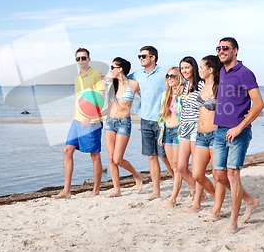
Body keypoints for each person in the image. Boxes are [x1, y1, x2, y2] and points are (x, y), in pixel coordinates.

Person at [212, 37, 264, 233]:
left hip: (238, 132)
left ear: (235, 51)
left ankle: (233, 223)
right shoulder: (221, 72)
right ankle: (250, 200)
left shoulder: (245, 73)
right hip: (220, 131)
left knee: (233, 175)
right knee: (219, 175)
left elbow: (258, 104)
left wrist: (240, 127)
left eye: (225, 48)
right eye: (219, 48)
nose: (221, 51)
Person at [54, 48, 105, 199]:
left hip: (92, 121)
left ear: (89, 59)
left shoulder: (96, 75)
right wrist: (74, 115)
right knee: (67, 150)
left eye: (83, 58)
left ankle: (96, 190)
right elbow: (79, 99)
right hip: (76, 121)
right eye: (78, 59)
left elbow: (100, 99)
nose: (81, 61)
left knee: (94, 155)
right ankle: (67, 190)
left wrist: (90, 116)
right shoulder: (77, 77)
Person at [129, 46, 174, 200]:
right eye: (139, 56)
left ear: (152, 57)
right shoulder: (136, 74)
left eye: (143, 56)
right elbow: (121, 78)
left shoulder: (164, 73)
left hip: (161, 121)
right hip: (145, 120)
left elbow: (182, 82)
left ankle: (179, 182)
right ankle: (156, 191)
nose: (140, 59)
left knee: (165, 157)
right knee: (152, 156)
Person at [191, 55, 226, 221]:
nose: (199, 70)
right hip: (200, 136)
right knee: (197, 174)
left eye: (201, 67)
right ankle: (217, 199)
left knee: (217, 174)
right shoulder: (200, 85)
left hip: (215, 135)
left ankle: (216, 211)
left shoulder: (220, 88)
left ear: (210, 69)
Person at [103, 57, 144, 197]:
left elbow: (147, 98)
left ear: (120, 69)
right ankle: (117, 189)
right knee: (110, 157)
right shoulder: (111, 85)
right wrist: (93, 115)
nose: (110, 70)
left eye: (113, 67)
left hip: (124, 123)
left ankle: (137, 175)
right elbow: (109, 108)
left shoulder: (133, 84)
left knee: (118, 158)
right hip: (110, 122)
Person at [176, 56, 206, 212]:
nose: (184, 71)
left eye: (187, 67)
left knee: (196, 168)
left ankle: (197, 203)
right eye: (182, 68)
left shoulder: (201, 85)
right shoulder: (184, 85)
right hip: (184, 128)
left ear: (194, 68)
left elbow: (205, 105)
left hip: (196, 127)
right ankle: (199, 192)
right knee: (181, 167)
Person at [157, 67, 188, 208]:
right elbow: (163, 117)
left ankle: (173, 198)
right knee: (173, 166)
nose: (169, 78)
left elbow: (195, 85)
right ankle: (195, 189)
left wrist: (184, 84)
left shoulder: (184, 92)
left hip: (178, 132)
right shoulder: (165, 94)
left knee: (177, 168)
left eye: (173, 76)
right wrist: (161, 133)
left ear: (179, 77)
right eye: (167, 76)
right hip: (167, 131)